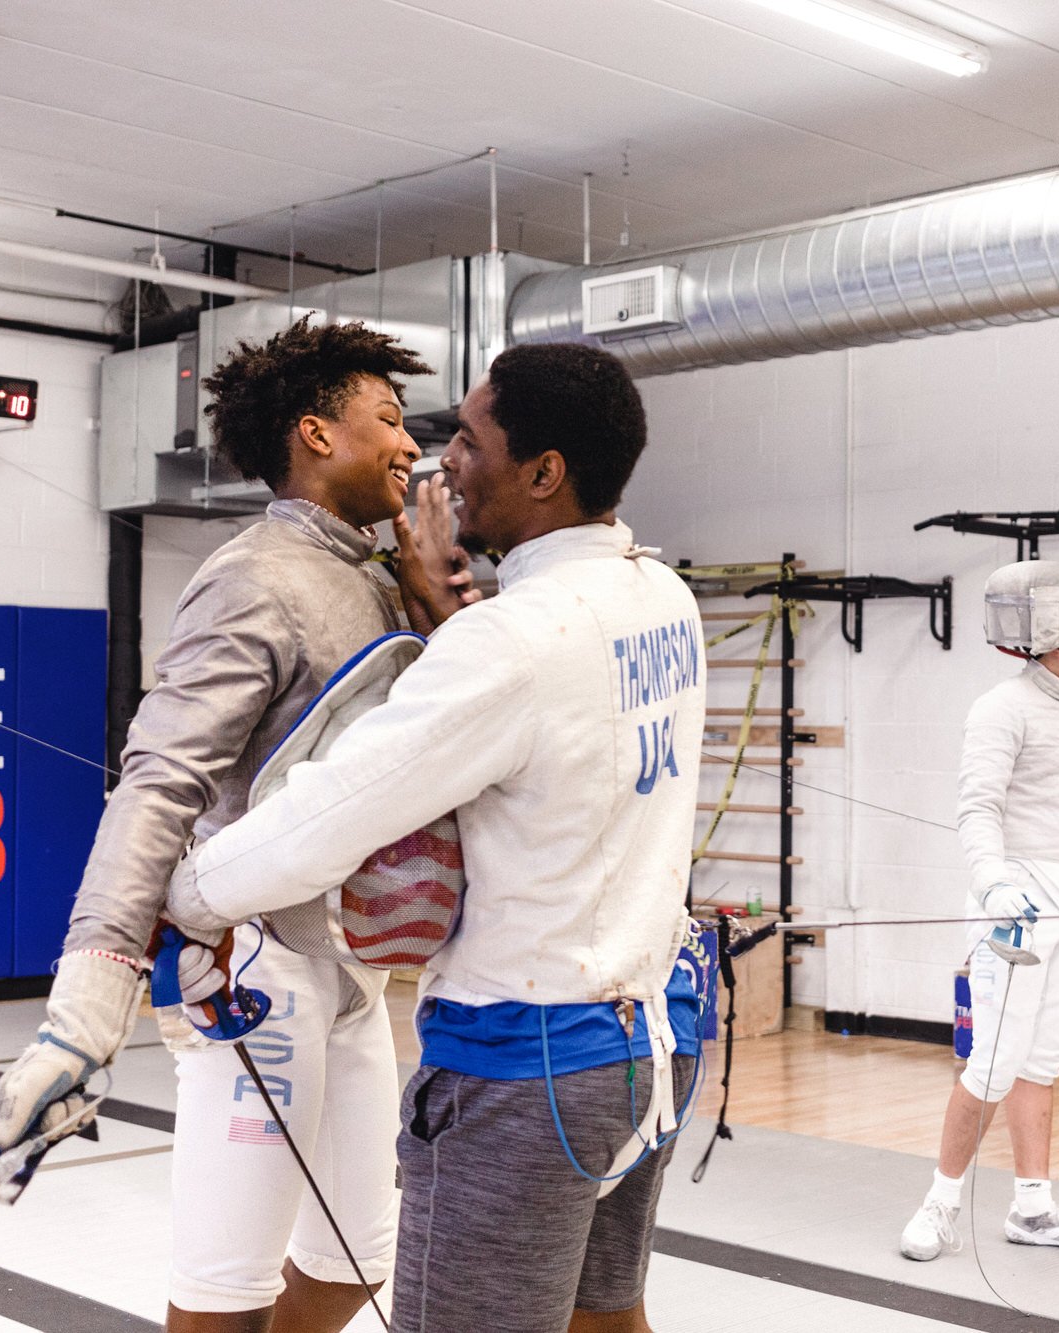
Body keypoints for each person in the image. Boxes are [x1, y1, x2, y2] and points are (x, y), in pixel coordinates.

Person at [163, 341, 707, 1333]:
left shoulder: (510, 642)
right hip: (657, 1036)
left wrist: (187, 896)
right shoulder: (661, 596)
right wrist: (438, 606)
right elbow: (530, 709)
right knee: (604, 1317)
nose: (439, 458)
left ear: (543, 471)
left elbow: (324, 815)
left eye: (467, 437)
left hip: (529, 1064)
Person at [0, 315, 466, 1333]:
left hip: (352, 974)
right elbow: (159, 781)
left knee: (355, 1260)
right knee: (226, 1288)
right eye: (386, 418)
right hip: (254, 972)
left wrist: (427, 604)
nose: (410, 445)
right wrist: (84, 1014)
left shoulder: (376, 581)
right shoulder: (253, 577)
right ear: (316, 434)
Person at [900, 560, 1059, 1262]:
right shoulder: (1001, 709)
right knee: (991, 1062)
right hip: (1014, 908)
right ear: (1051, 639)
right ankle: (939, 1204)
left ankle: (1033, 1206)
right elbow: (977, 807)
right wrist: (993, 885)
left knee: (1043, 1061)